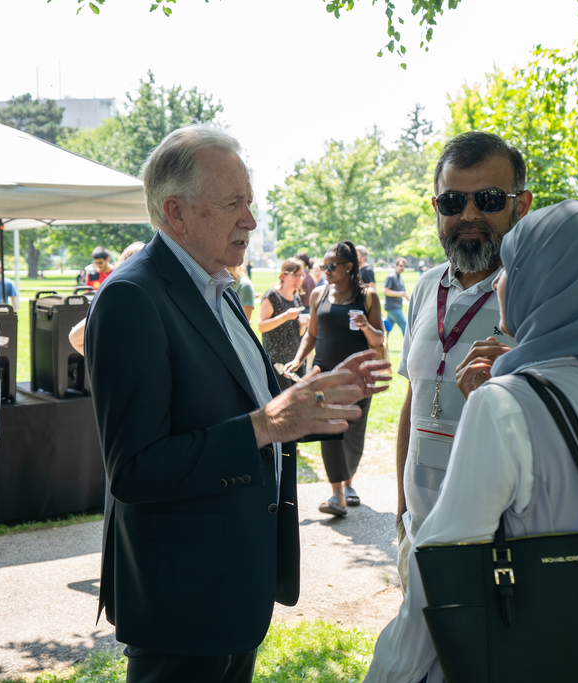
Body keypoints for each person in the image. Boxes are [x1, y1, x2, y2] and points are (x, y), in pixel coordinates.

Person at [85, 125, 390, 683]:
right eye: (234, 205)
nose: (250, 221)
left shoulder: (214, 286)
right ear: (175, 213)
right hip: (182, 604)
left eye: (249, 203)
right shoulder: (132, 297)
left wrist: (321, 394)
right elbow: (133, 470)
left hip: (231, 590)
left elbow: (254, 399)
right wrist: (266, 422)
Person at [366, 199, 578, 683]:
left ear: (546, 283)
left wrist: (389, 674)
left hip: (504, 641)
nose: (501, 281)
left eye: (513, 267)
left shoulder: (504, 404)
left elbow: (442, 576)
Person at [392, 131, 532, 591]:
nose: (469, 215)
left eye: (488, 199)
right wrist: (401, 510)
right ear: (437, 208)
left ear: (521, 204)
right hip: (420, 534)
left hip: (499, 546)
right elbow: (413, 403)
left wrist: (520, 375)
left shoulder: (539, 294)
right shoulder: (426, 286)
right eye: (453, 201)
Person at [284, 241, 386, 517]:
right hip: (325, 375)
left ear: (348, 267)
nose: (324, 270)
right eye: (323, 266)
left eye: (331, 266)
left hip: (358, 378)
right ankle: (337, 494)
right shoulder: (318, 294)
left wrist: (366, 325)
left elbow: (380, 338)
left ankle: (349, 482)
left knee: (353, 433)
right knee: (330, 431)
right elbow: (312, 335)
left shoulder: (367, 297)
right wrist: (298, 358)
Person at [68, 240, 145, 356]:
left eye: (100, 262)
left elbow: (74, 338)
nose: (98, 265)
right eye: (96, 262)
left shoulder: (116, 275)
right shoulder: (92, 274)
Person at [257, 258, 308, 390]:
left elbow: (298, 333)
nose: (299, 279)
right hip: (277, 363)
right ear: (283, 276)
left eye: (301, 275)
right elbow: (261, 326)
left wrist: (303, 325)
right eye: (295, 275)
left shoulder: (296, 297)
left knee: (298, 402)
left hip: (295, 362)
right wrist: (285, 316)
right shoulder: (272, 296)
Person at [383, 257, 409, 337]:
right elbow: (385, 291)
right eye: (401, 265)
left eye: (404, 266)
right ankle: (408, 347)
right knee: (405, 325)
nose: (402, 268)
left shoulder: (400, 277)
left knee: (387, 328)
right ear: (395, 266)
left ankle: (381, 344)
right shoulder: (391, 277)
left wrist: (411, 302)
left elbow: (404, 292)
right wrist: (399, 294)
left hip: (396, 306)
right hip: (393, 307)